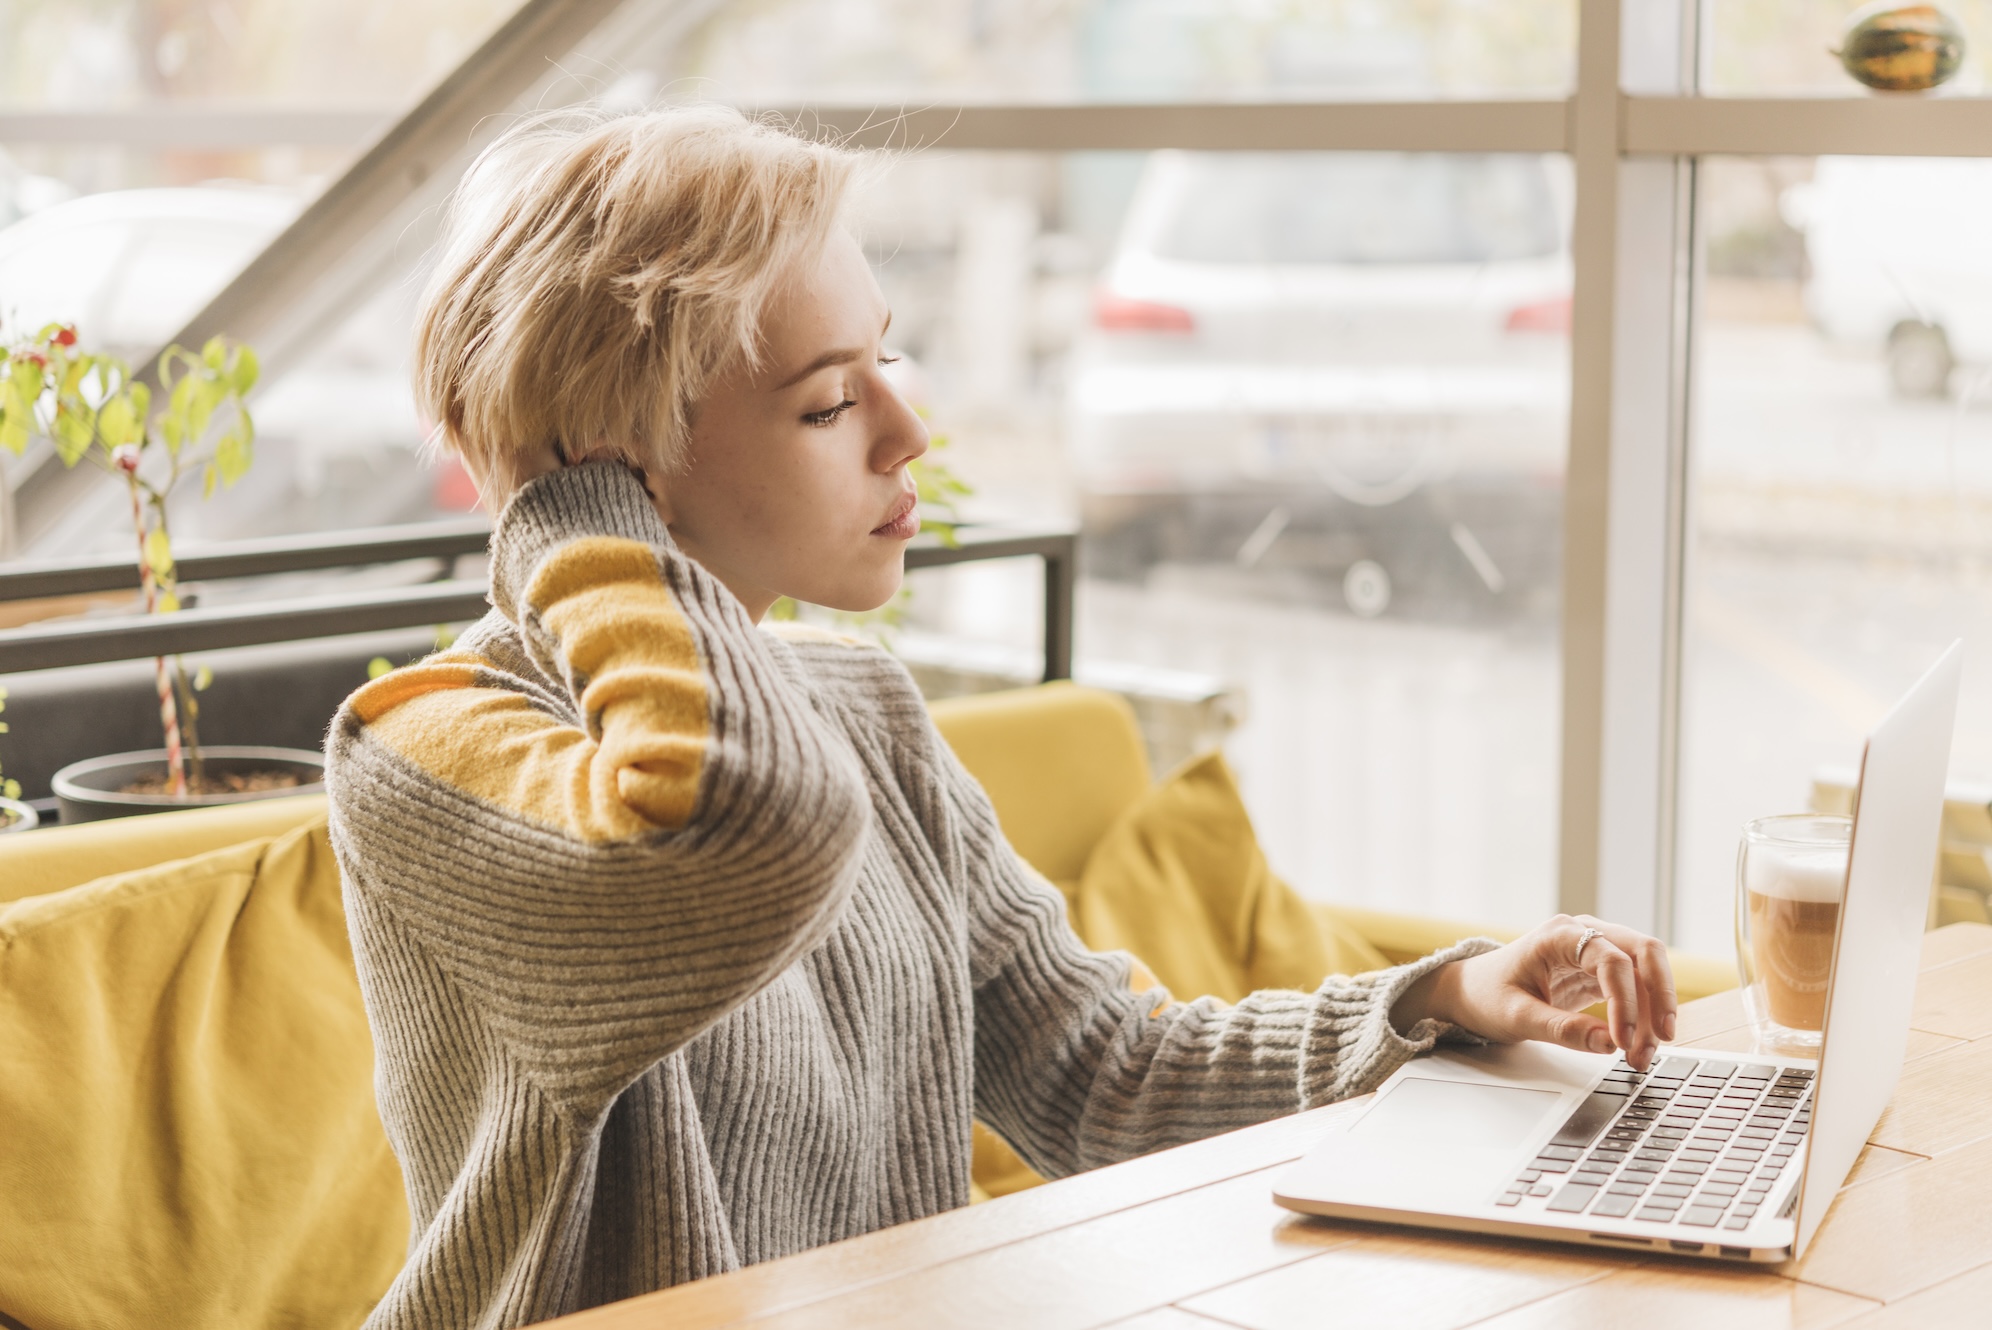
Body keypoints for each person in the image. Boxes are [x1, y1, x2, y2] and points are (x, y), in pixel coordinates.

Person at [324, 105, 1677, 1330]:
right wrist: (569, 509)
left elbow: (1102, 1070)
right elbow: (738, 824)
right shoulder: (433, 748)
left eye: (889, 356)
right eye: (829, 398)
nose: (910, 426)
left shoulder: (865, 711)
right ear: (630, 474)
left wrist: (1441, 996)